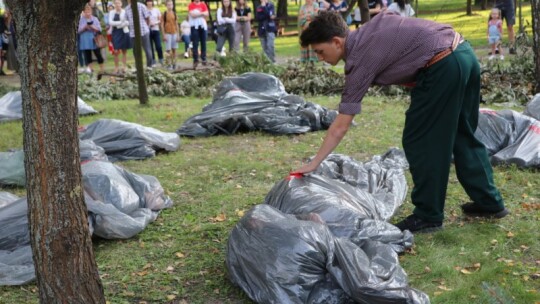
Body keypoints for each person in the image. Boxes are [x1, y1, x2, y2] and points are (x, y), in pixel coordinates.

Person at [293, 11, 509, 233]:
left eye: (320, 51)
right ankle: (489, 202)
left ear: (337, 42)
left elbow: (341, 124)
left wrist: (315, 162)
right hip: (464, 53)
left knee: (421, 140)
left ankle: (428, 215)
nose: (320, 58)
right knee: (463, 134)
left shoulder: (360, 57)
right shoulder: (370, 30)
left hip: (441, 65)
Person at [125, 0, 153, 69]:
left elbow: (147, 18)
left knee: (147, 50)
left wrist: (147, 27)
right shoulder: (127, 8)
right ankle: (139, 67)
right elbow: (127, 20)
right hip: (133, 33)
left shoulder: (141, 6)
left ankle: (149, 67)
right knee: (135, 51)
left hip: (144, 32)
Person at [78, 4, 105, 74]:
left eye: (89, 10)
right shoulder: (81, 20)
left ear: (91, 11)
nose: (87, 12)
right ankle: (90, 69)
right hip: (85, 40)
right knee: (87, 55)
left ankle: (102, 69)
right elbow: (78, 30)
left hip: (94, 39)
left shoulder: (95, 19)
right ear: (83, 11)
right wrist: (85, 27)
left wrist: (92, 26)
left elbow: (99, 29)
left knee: (98, 54)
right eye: (86, 11)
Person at [109, 0, 131, 74]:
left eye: (118, 3)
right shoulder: (112, 12)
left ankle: (124, 67)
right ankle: (116, 67)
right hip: (115, 33)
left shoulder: (125, 11)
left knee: (124, 51)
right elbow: (110, 22)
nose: (117, 4)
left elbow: (128, 22)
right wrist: (120, 23)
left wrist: (119, 25)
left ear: (121, 4)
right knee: (115, 51)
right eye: (116, 3)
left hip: (124, 32)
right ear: (114, 4)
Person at [188, 0, 210, 68]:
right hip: (194, 26)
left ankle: (204, 58)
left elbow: (207, 14)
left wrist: (198, 13)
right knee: (195, 43)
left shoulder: (203, 4)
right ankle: (196, 59)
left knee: (203, 42)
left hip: (202, 26)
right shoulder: (191, 5)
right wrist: (202, 13)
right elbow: (193, 15)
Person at [161, 0, 180, 69]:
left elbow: (176, 24)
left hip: (174, 33)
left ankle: (174, 63)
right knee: (168, 50)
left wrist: (178, 35)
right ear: (166, 5)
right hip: (167, 33)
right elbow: (162, 25)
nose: (170, 6)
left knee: (174, 49)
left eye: (171, 4)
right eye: (168, 5)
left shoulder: (174, 14)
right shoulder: (164, 14)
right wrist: (163, 35)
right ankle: (168, 64)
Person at [147, 0, 164, 66]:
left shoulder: (156, 10)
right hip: (148, 30)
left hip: (156, 29)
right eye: (148, 2)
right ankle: (153, 60)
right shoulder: (145, 10)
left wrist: (155, 23)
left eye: (150, 2)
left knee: (158, 46)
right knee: (150, 47)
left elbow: (160, 19)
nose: (149, 3)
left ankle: (161, 58)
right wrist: (149, 23)